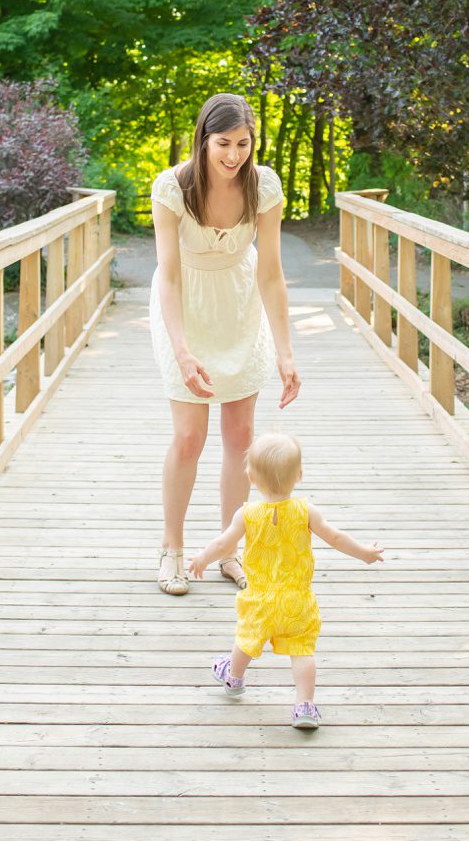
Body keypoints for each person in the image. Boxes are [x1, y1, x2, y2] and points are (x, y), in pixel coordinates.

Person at [149, 93, 300, 596]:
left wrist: (285, 351)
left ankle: (228, 551)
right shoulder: (173, 187)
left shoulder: (264, 186)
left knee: (240, 437)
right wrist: (182, 350)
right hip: (184, 307)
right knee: (189, 435)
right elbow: (168, 277)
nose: (234, 155)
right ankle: (172, 549)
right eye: (223, 143)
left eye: (243, 143)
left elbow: (272, 273)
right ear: (204, 139)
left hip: (239, 305)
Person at [189, 432, 385, 730]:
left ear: (251, 478)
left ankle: (234, 677)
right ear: (300, 475)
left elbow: (222, 545)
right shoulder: (306, 511)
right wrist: (364, 554)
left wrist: (202, 558)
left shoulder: (248, 514)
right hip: (297, 600)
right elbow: (335, 537)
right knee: (302, 651)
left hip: (261, 599)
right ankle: (304, 705)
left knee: (247, 639)